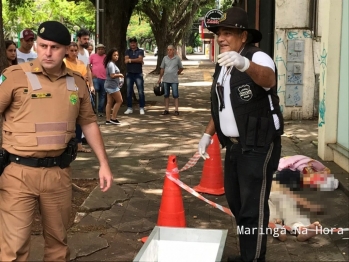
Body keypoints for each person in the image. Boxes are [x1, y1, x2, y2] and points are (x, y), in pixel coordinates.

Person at [0, 21, 114, 261]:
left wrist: (103, 163)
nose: (47, 52)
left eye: (54, 47)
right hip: (18, 173)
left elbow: (89, 123)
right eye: (42, 46)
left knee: (57, 245)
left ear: (66, 49)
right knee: (14, 248)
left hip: (58, 174)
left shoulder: (76, 82)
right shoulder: (14, 77)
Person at [197, 7, 284, 262]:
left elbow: (269, 80)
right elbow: (224, 106)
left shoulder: (258, 57)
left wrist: (245, 63)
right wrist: (207, 135)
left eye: (228, 33)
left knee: (252, 207)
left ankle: (254, 258)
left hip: (258, 143)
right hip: (235, 145)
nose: (221, 38)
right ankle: (248, 252)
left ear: (243, 36)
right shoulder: (224, 64)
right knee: (236, 203)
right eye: (218, 34)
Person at [64, 41, 95, 153]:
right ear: (67, 51)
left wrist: (90, 85)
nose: (73, 52)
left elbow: (86, 76)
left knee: (80, 119)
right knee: (70, 118)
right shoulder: (63, 63)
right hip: (69, 93)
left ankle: (79, 144)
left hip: (82, 93)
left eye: (75, 50)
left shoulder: (81, 63)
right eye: (71, 50)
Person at [158, 45, 183, 116]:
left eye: (170, 50)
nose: (169, 51)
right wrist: (160, 78)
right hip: (166, 80)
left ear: (173, 50)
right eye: (168, 50)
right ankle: (166, 109)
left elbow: (181, 68)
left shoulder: (177, 58)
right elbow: (162, 68)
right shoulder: (165, 58)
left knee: (175, 95)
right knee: (166, 95)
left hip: (174, 80)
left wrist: (177, 73)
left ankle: (176, 110)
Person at [124, 37, 145, 115]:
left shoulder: (140, 51)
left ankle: (142, 107)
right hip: (129, 74)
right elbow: (126, 61)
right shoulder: (127, 51)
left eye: (134, 42)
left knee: (140, 91)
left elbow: (140, 59)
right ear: (129, 44)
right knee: (129, 91)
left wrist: (130, 60)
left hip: (138, 73)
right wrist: (136, 60)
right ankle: (129, 108)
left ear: (136, 43)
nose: (132, 44)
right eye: (131, 43)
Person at [103, 48, 124, 125]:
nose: (116, 56)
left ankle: (108, 119)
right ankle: (113, 118)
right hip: (112, 86)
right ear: (110, 56)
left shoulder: (111, 63)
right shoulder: (111, 64)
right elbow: (112, 75)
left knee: (109, 102)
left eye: (117, 55)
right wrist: (120, 75)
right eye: (114, 55)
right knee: (119, 101)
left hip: (109, 85)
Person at [90, 43, 107, 117]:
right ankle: (93, 108)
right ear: (97, 50)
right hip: (95, 78)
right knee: (95, 90)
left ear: (104, 50)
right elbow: (88, 65)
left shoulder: (106, 57)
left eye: (102, 49)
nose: (100, 50)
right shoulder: (92, 56)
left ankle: (100, 111)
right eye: (99, 49)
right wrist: (91, 73)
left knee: (102, 95)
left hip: (104, 78)